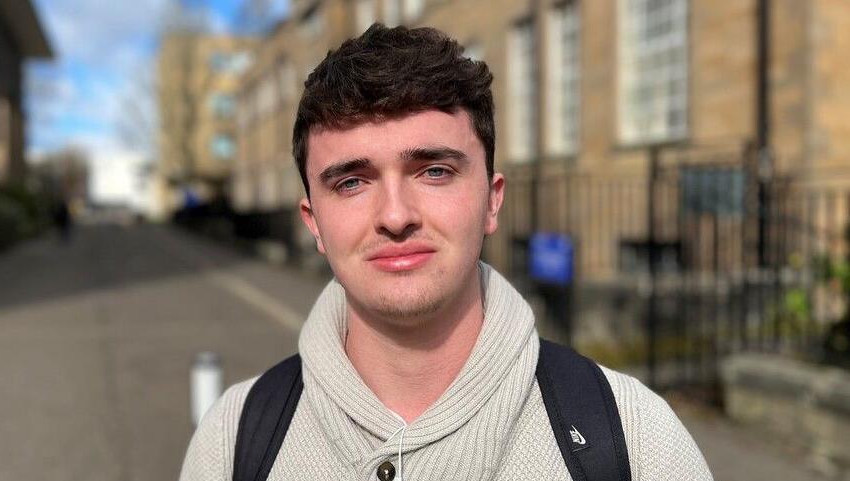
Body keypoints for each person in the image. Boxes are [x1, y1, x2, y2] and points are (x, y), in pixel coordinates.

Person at [180, 24, 713, 481]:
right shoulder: (234, 440)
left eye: (434, 171)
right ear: (313, 222)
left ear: (491, 200)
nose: (395, 215)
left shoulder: (634, 439)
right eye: (350, 182)